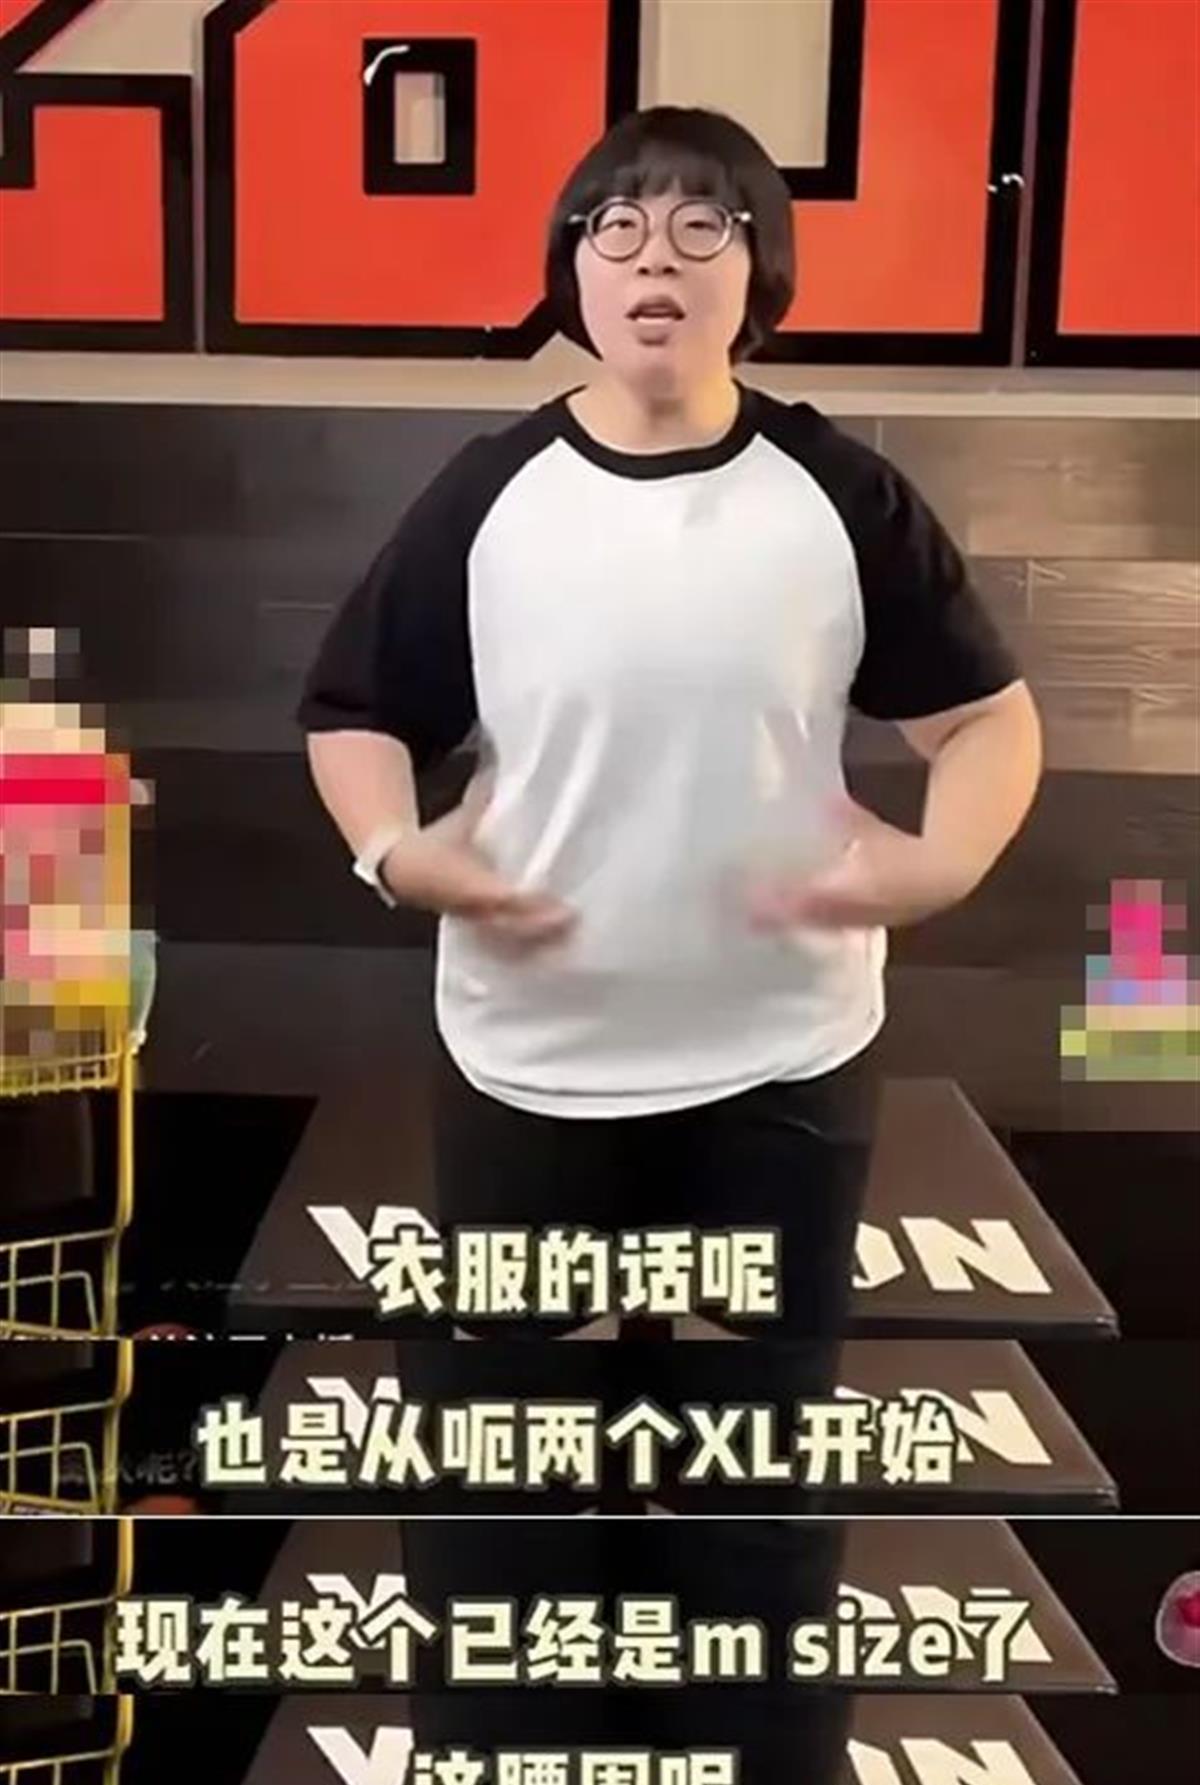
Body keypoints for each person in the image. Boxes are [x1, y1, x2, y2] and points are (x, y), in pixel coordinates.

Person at [300, 105, 1041, 1350]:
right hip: (530, 1054)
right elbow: (355, 713)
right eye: (618, 225)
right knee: (518, 1429)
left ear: (759, 273)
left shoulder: (841, 493)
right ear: (574, 270)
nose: (655, 254)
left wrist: (944, 862)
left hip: (784, 1055)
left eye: (703, 225)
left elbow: (986, 720)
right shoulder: (488, 492)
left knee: (756, 1440)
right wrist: (394, 851)